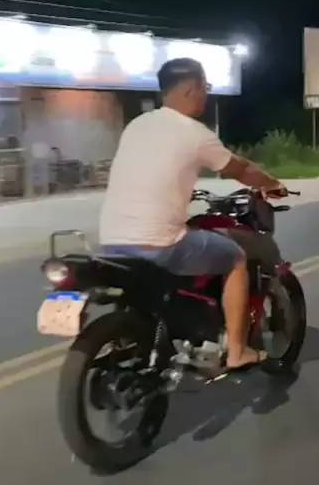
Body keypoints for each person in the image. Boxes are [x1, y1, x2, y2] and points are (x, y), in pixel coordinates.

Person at [99, 57, 285, 370]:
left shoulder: (137, 125)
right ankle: (238, 352)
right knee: (236, 258)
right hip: (157, 243)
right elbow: (239, 169)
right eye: (205, 87)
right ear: (191, 89)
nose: (206, 95)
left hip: (112, 241)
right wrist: (273, 185)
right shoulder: (195, 133)